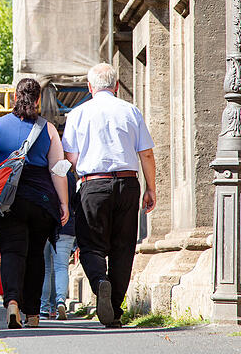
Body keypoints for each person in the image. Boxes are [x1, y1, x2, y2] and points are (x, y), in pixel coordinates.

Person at [62, 63, 156, 328]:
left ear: (90, 87)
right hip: (127, 184)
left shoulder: (78, 114)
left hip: (93, 185)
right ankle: (114, 310)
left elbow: (71, 157)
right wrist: (151, 187)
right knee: (123, 247)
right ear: (116, 86)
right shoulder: (131, 111)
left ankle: (99, 282)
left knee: (90, 244)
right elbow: (146, 153)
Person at [0, 77, 70, 329]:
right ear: (38, 101)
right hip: (40, 201)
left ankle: (12, 302)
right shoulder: (49, 129)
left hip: (7, 202)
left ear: (14, 98)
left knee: (11, 252)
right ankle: (33, 313)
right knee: (35, 255)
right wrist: (63, 204)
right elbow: (58, 170)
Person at [39, 170, 77, 320]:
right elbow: (74, 200)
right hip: (66, 225)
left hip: (44, 225)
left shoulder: (41, 172)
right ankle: (60, 301)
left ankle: (44, 309)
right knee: (62, 267)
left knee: (45, 269)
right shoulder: (68, 174)